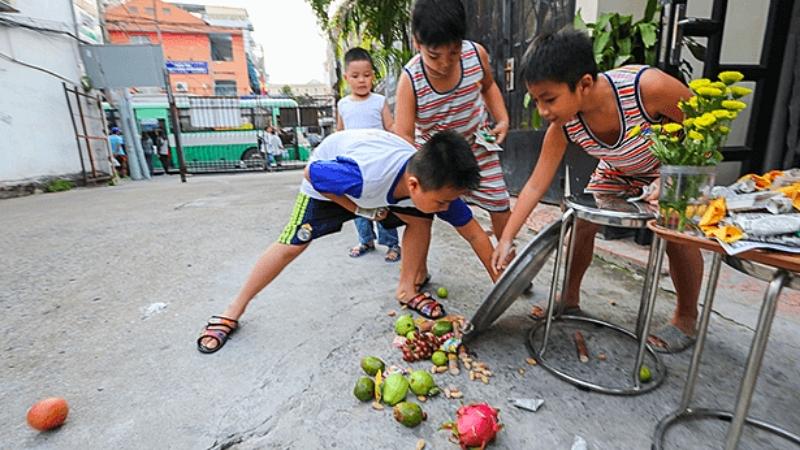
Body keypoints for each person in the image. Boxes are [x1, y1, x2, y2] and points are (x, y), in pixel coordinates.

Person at [492, 29, 703, 353]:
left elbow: (704, 126)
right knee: (580, 221)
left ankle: (686, 317)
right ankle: (570, 299)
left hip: (670, 164)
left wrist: (675, 177)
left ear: (585, 84)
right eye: (536, 100)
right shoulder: (564, 124)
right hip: (618, 168)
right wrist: (506, 238)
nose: (543, 110)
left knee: (675, 232)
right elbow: (536, 183)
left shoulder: (648, 88)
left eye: (549, 99)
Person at [196, 129, 499, 353]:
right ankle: (232, 310)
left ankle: (407, 290)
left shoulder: (436, 188)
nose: (447, 207)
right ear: (414, 185)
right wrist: (359, 210)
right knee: (293, 243)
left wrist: (501, 284)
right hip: (330, 184)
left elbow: (474, 233)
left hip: (382, 191)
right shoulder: (361, 176)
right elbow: (312, 173)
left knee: (421, 219)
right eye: (443, 202)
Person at [395, 0, 512, 289]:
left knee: (500, 206)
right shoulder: (410, 79)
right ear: (417, 43)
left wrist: (502, 118)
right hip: (438, 158)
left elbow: (488, 86)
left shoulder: (476, 55)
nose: (445, 63)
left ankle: (507, 265)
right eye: (434, 56)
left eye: (454, 52)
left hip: (479, 148)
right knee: (422, 215)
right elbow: (404, 136)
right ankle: (417, 272)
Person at [337, 47, 402, 263]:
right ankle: (365, 240)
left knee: (381, 203)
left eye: (366, 75)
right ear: (347, 78)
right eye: (355, 76)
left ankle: (392, 243)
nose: (361, 80)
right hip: (353, 164)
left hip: (378, 163)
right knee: (357, 204)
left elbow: (390, 126)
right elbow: (339, 133)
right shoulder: (343, 105)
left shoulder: (379, 101)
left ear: (373, 76)